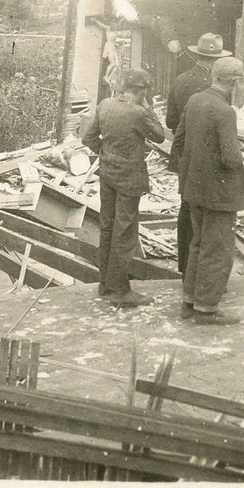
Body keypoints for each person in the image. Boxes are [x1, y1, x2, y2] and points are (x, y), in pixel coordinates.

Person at [173, 56, 244, 325]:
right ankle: (206, 310)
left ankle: (190, 301)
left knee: (198, 244)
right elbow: (230, 158)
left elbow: (179, 141)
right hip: (219, 194)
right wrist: (241, 157)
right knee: (216, 250)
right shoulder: (225, 111)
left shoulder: (195, 100)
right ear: (236, 81)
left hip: (193, 189)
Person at [80, 68, 165, 308]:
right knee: (124, 231)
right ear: (141, 91)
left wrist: (106, 154)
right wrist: (149, 108)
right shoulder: (139, 113)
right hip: (129, 178)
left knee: (107, 226)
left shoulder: (105, 105)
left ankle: (105, 284)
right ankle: (119, 289)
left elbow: (87, 138)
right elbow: (159, 136)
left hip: (107, 173)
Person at [167, 33, 231, 275]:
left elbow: (171, 120)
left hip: (184, 155)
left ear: (197, 55)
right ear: (216, 61)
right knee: (209, 213)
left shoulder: (180, 79)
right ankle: (202, 274)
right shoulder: (217, 87)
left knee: (186, 209)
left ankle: (185, 268)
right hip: (208, 158)